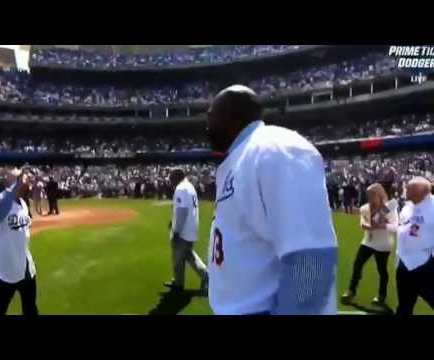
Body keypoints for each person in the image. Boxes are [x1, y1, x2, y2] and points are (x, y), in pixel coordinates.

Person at [206, 85, 338, 315]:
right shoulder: (241, 156)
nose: (207, 122)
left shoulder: (276, 148)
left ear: (231, 114)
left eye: (212, 114)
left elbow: (310, 259)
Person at [0, 167, 38, 316]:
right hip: (4, 270)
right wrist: (17, 185)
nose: (27, 181)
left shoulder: (22, 203)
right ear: (13, 182)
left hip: (26, 267)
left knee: (30, 309)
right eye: (23, 179)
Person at [341, 183, 398, 306]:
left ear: (380, 194)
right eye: (369, 195)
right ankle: (351, 291)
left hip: (383, 244)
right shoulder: (364, 208)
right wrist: (368, 225)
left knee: (382, 270)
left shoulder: (389, 208)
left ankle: (381, 295)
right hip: (368, 242)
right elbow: (363, 222)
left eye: (373, 194)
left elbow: (395, 227)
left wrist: (382, 225)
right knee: (357, 264)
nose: (371, 197)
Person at [163, 168, 208, 293]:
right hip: (191, 227)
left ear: (177, 177)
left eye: (171, 178)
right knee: (188, 255)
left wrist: (176, 230)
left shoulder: (181, 188)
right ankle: (181, 281)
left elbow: (182, 211)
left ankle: (181, 283)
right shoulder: (189, 186)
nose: (170, 181)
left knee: (178, 258)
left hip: (183, 230)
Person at [395, 177, 434, 315]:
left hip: (425, 265)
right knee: (404, 307)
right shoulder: (407, 207)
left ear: (420, 192)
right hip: (404, 265)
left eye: (409, 190)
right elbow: (403, 228)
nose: (406, 192)